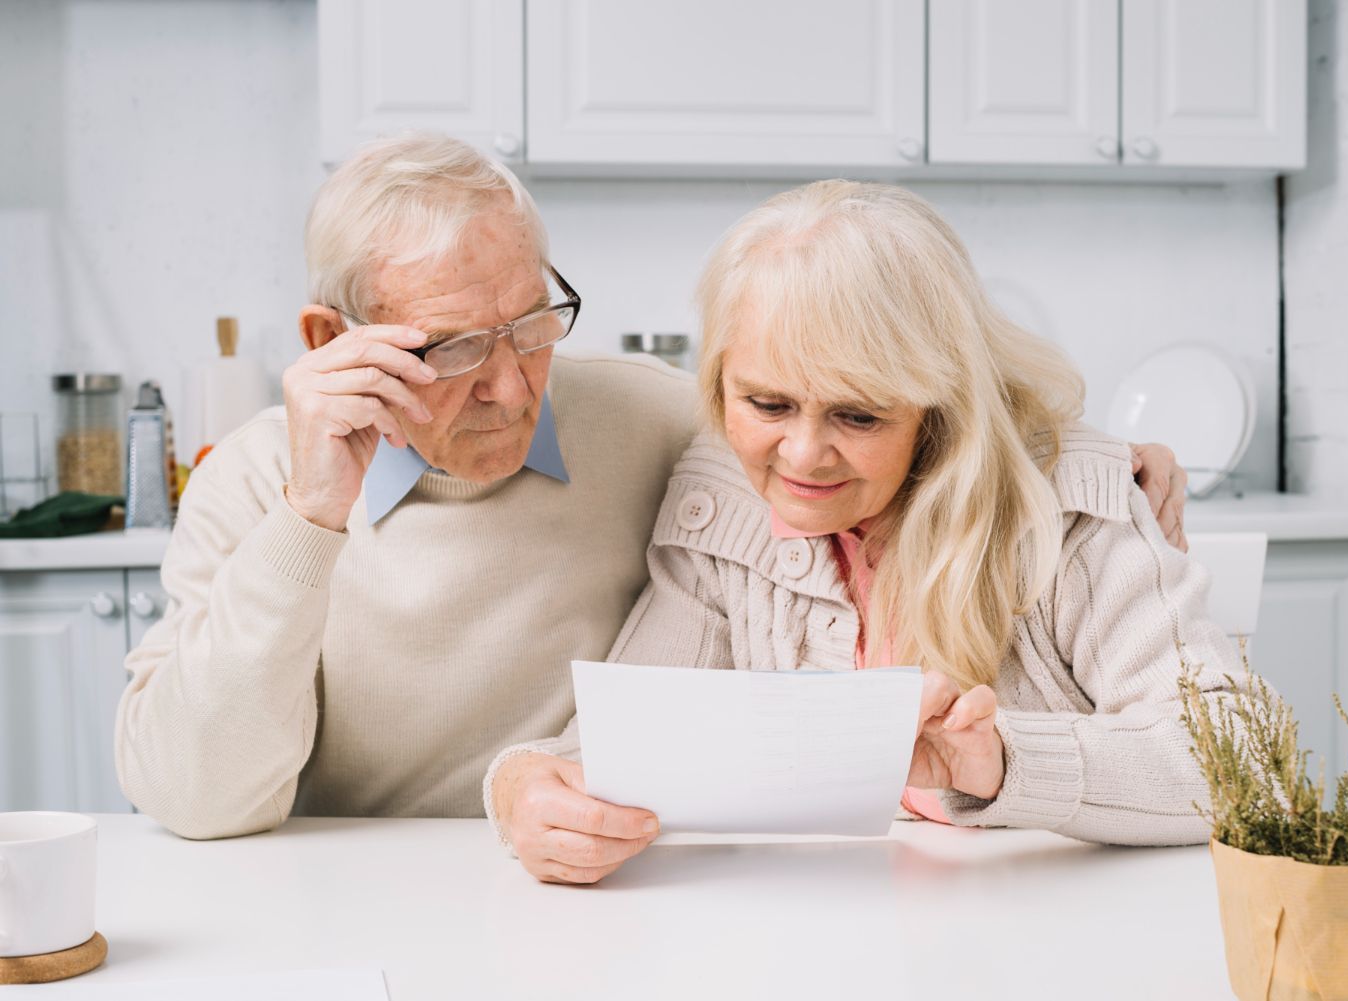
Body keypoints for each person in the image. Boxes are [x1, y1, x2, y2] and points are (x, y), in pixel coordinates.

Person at [116, 133, 1187, 840]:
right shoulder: (255, 484)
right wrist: (310, 519)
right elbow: (194, 799)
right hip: (361, 903)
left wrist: (1076, 461)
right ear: (330, 341)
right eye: (449, 349)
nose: (509, 384)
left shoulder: (669, 422)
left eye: (532, 324)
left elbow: (860, 382)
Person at [489, 180, 1242, 885]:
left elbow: (1240, 760)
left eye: (859, 415)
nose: (803, 456)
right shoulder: (718, 492)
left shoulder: (1069, 507)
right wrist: (518, 784)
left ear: (939, 408)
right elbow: (620, 746)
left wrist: (1004, 762)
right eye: (768, 404)